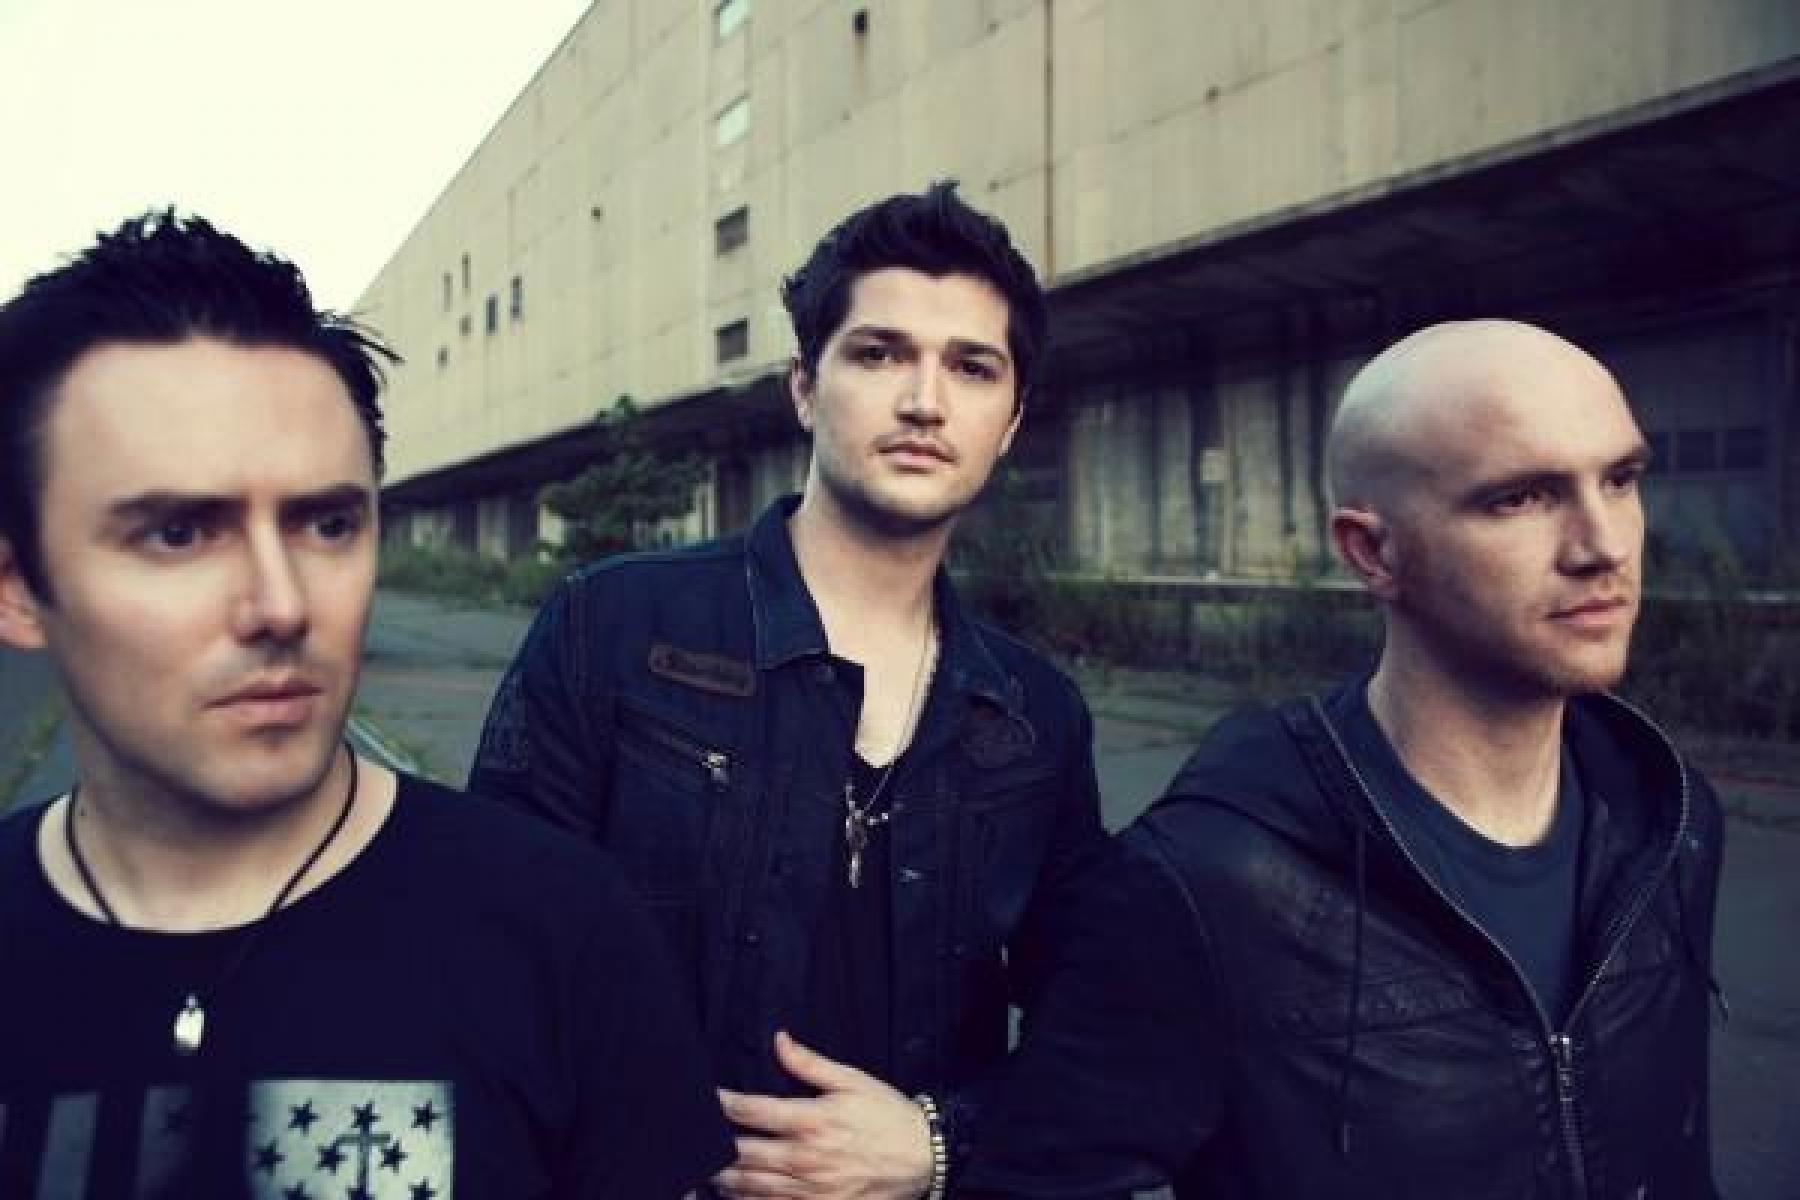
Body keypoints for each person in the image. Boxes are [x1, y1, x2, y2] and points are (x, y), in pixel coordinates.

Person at [0, 211, 732, 1198]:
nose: (282, 606)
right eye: (178, 533)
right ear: (19, 588)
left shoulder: (562, 932)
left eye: (328, 524)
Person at [955, 319, 1725, 1198]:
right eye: (1520, 498)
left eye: (1620, 479)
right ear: (1372, 551)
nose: (1604, 546)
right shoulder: (1209, 882)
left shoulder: (1670, 818)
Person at [469, 182, 1106, 1198]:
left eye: (971, 367)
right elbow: (488, 962)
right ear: (805, 388)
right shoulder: (612, 628)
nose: (925, 401)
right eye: (879, 353)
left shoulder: (1036, 717)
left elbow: (1105, 1029)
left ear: (1012, 420)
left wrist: (939, 1146)